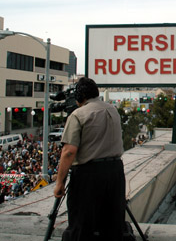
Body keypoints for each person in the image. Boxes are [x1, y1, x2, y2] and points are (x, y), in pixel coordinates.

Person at [53, 77, 127, 241]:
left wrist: (59, 182)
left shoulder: (78, 115)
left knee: (82, 226)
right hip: (115, 173)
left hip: (89, 176)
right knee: (112, 226)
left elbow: (69, 152)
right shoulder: (112, 110)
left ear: (79, 97)